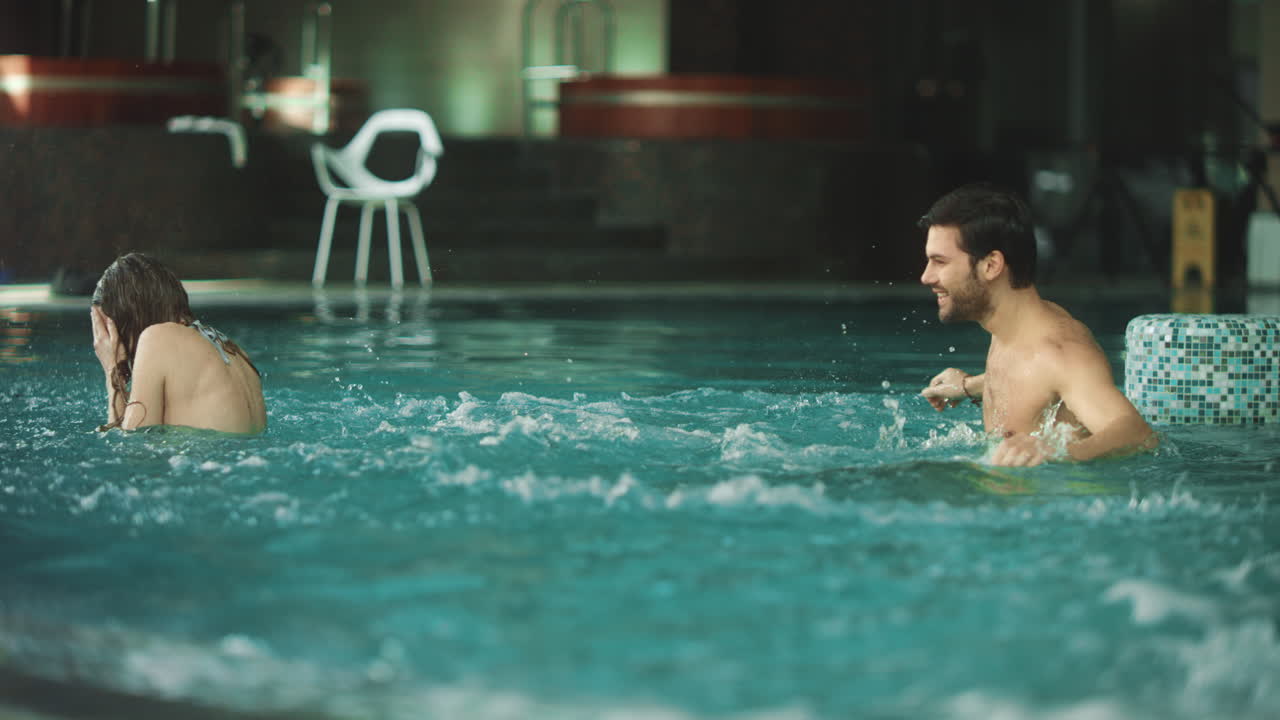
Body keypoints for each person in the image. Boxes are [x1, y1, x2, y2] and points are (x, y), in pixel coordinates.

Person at [917, 183, 1156, 466]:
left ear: (991, 265)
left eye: (939, 262)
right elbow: (1031, 376)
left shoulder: (1060, 351)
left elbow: (1137, 433)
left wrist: (1057, 453)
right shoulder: (1013, 330)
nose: (926, 276)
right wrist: (968, 386)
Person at [90, 253, 267, 434]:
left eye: (109, 330)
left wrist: (112, 368)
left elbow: (133, 450)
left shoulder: (156, 338)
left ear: (127, 318)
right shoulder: (233, 349)